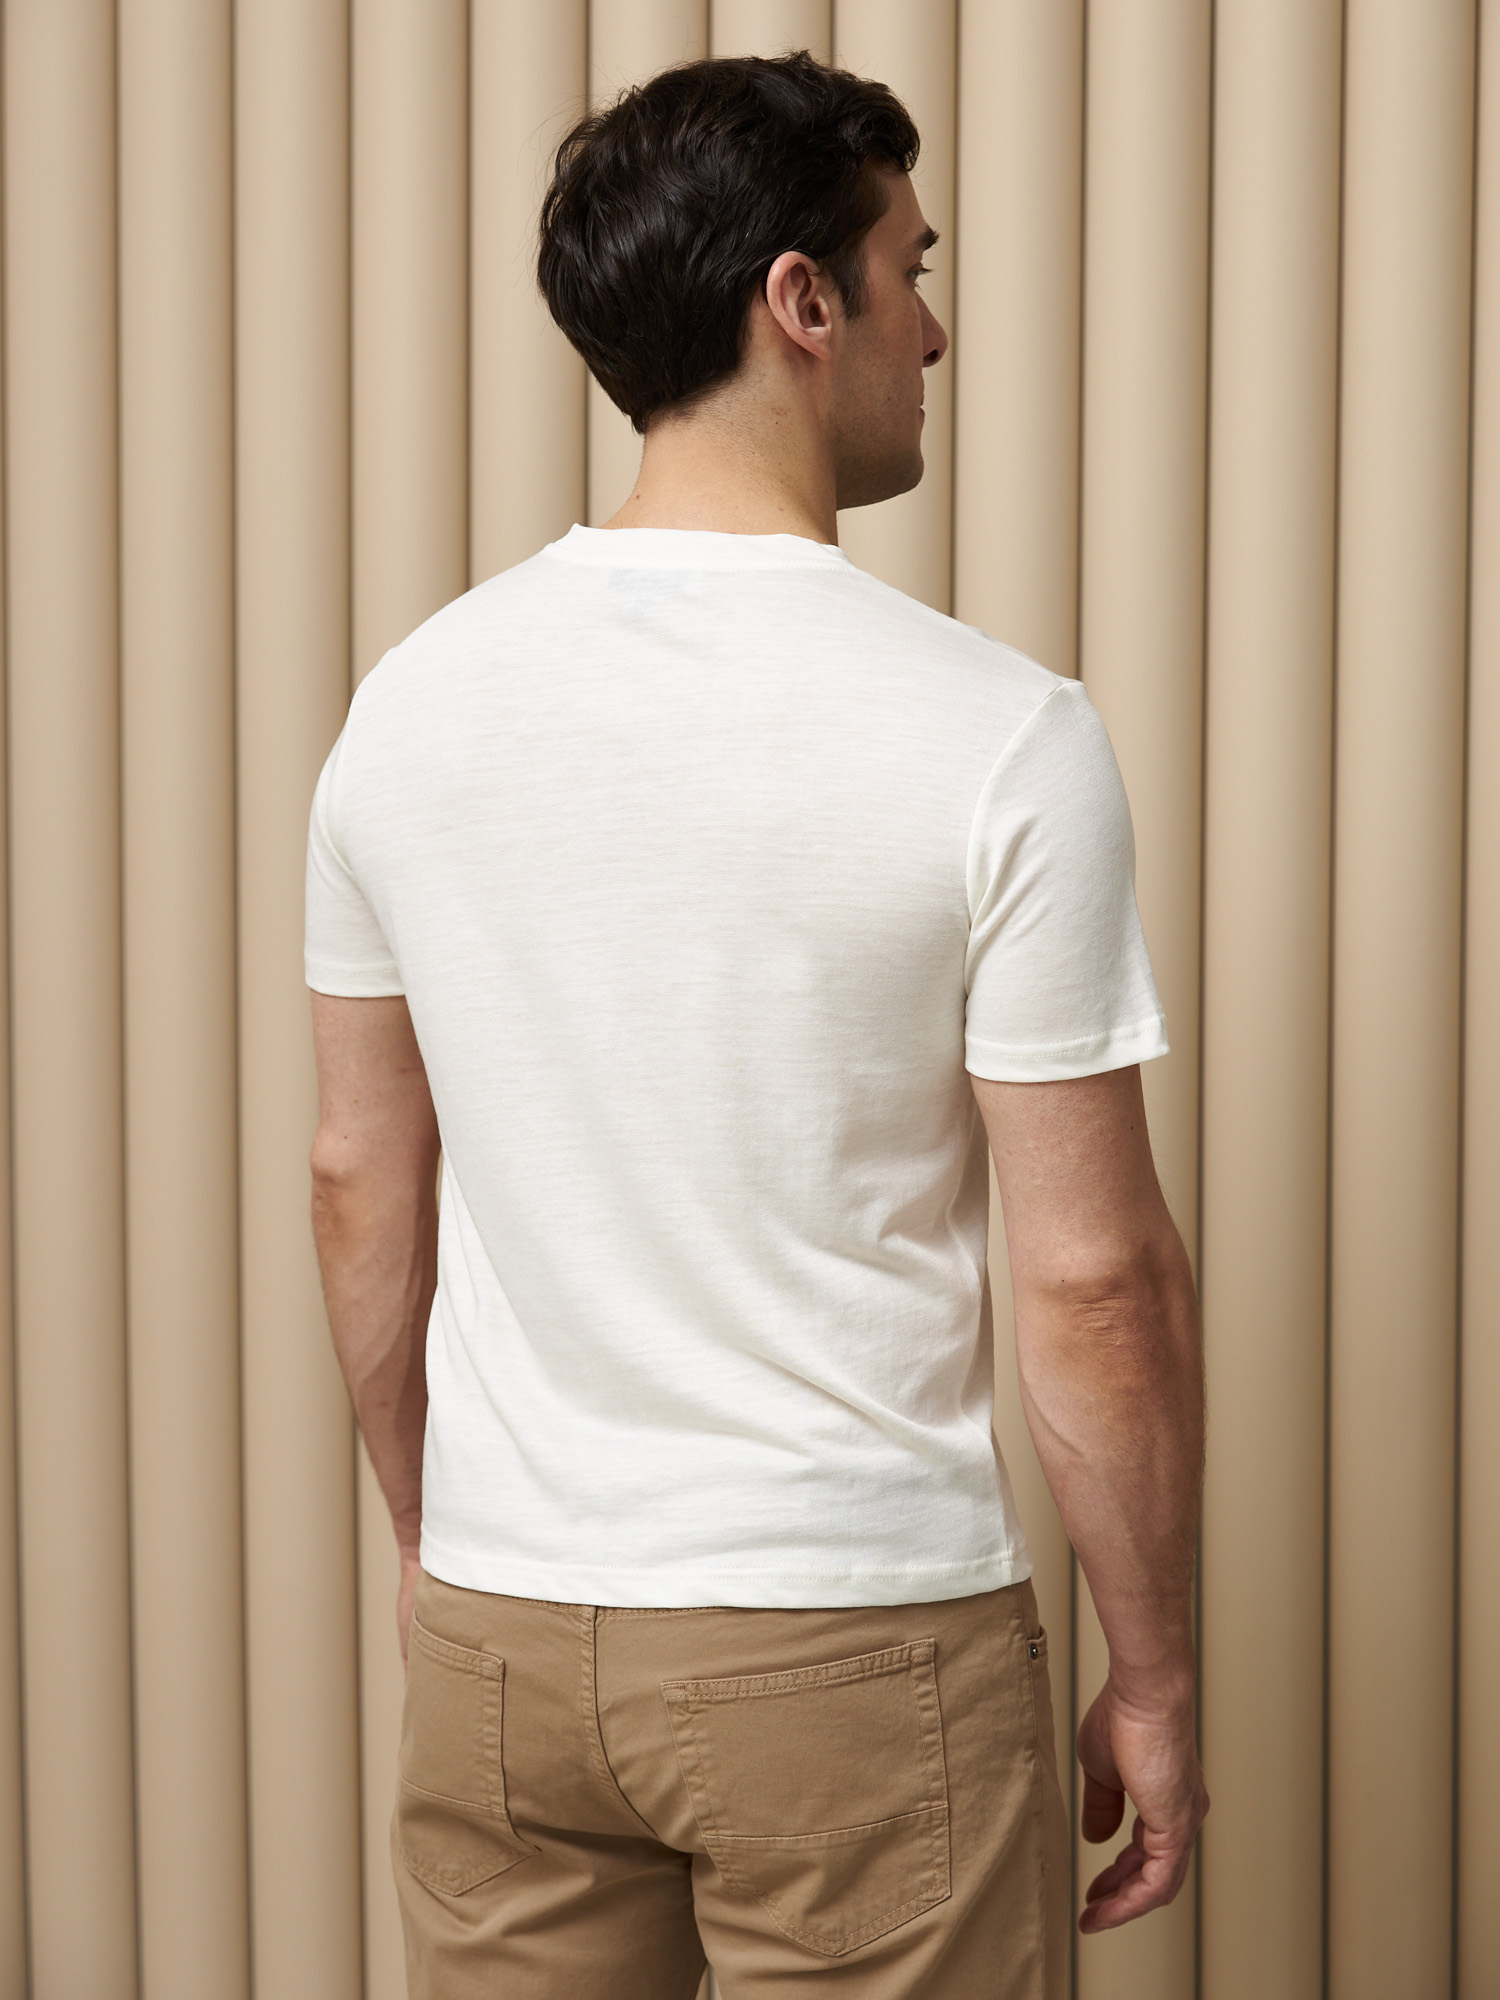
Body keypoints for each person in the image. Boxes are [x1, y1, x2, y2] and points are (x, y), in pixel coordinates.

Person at [306, 50, 1206, 2000]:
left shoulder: (409, 707)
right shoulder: (1001, 736)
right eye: (911, 269)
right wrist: (1155, 1674)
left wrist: (434, 1538)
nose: (933, 332)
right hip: (853, 1640)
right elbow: (1095, 1281)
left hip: (507, 1633)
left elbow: (361, 1177)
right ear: (804, 302)